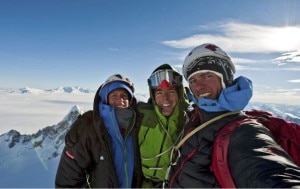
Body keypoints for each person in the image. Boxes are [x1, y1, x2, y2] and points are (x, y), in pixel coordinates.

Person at [168, 43, 300, 188]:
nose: (198, 87)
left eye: (207, 76)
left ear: (225, 78)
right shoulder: (196, 117)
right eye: (193, 80)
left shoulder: (243, 131)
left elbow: (267, 171)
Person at [55, 74, 143, 188]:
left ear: (130, 100)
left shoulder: (137, 124)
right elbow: (68, 180)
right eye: (114, 95)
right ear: (105, 98)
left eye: (124, 95)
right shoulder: (88, 127)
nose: (120, 100)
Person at [137, 64, 189, 188]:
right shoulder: (142, 116)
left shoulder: (190, 121)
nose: (165, 99)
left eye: (171, 92)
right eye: (159, 93)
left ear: (179, 93)